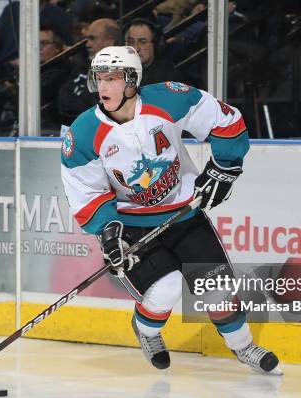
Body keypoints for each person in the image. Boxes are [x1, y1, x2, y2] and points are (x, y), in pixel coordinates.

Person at [60, 46, 282, 375]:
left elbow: (225, 121)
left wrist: (225, 166)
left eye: (112, 79)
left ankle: (243, 346)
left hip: (185, 214)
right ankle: (147, 332)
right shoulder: (83, 133)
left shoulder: (169, 100)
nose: (103, 87)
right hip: (131, 226)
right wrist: (108, 233)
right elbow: (87, 191)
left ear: (132, 80)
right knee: (164, 290)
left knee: (218, 292)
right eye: (99, 79)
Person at [57, 18, 120, 125]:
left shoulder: (121, 73)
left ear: (110, 41)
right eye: (87, 39)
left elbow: (97, 108)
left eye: (92, 39)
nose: (87, 44)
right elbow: (63, 100)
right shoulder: (83, 65)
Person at [124, 18, 185, 86]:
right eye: (131, 42)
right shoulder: (118, 71)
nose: (135, 48)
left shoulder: (169, 78)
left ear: (156, 45)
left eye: (142, 42)